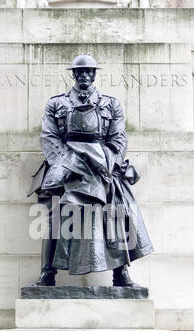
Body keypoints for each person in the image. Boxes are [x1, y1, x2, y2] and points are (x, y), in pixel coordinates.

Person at [28, 54, 153, 287]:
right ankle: (47, 274)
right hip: (65, 166)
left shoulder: (110, 103)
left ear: (94, 74)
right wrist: (67, 165)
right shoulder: (57, 103)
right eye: (80, 71)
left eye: (89, 71)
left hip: (102, 165)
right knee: (55, 218)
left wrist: (107, 163)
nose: (84, 75)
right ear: (73, 75)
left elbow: (118, 139)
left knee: (116, 212)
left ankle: (121, 274)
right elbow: (49, 137)